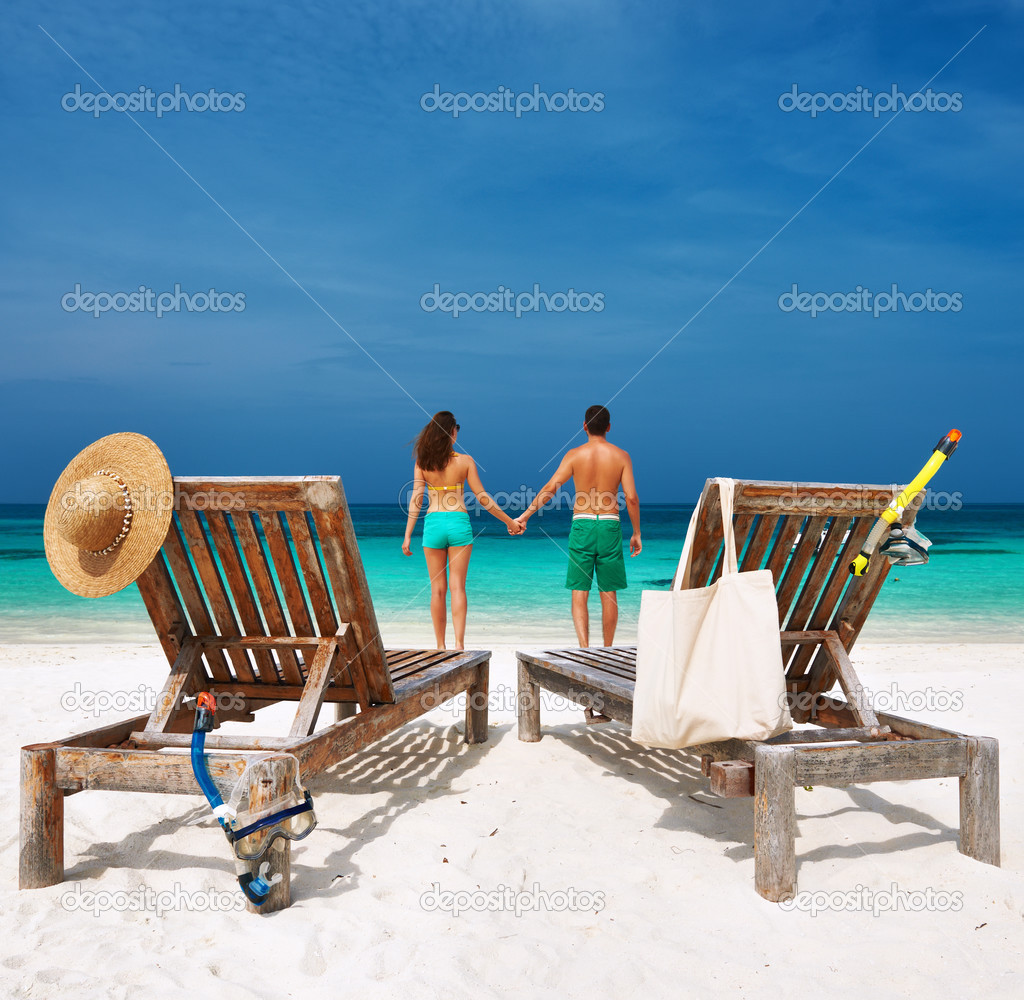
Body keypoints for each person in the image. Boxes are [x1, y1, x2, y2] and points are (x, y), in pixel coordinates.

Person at [516, 404, 640, 647]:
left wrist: (526, 516)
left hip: (582, 524)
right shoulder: (621, 456)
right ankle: (607, 649)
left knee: (579, 591)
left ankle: (584, 649)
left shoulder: (574, 455)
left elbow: (551, 488)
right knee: (609, 592)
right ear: (608, 427)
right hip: (609, 525)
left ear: (584, 427)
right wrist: (636, 532)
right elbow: (632, 497)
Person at [402, 411, 522, 649]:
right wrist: (509, 521)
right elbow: (483, 498)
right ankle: (459, 644)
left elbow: (417, 498)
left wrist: (407, 535)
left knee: (437, 590)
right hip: (458, 523)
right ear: (452, 432)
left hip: (434, 524)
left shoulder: (423, 462)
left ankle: (439, 646)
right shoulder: (465, 461)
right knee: (457, 586)